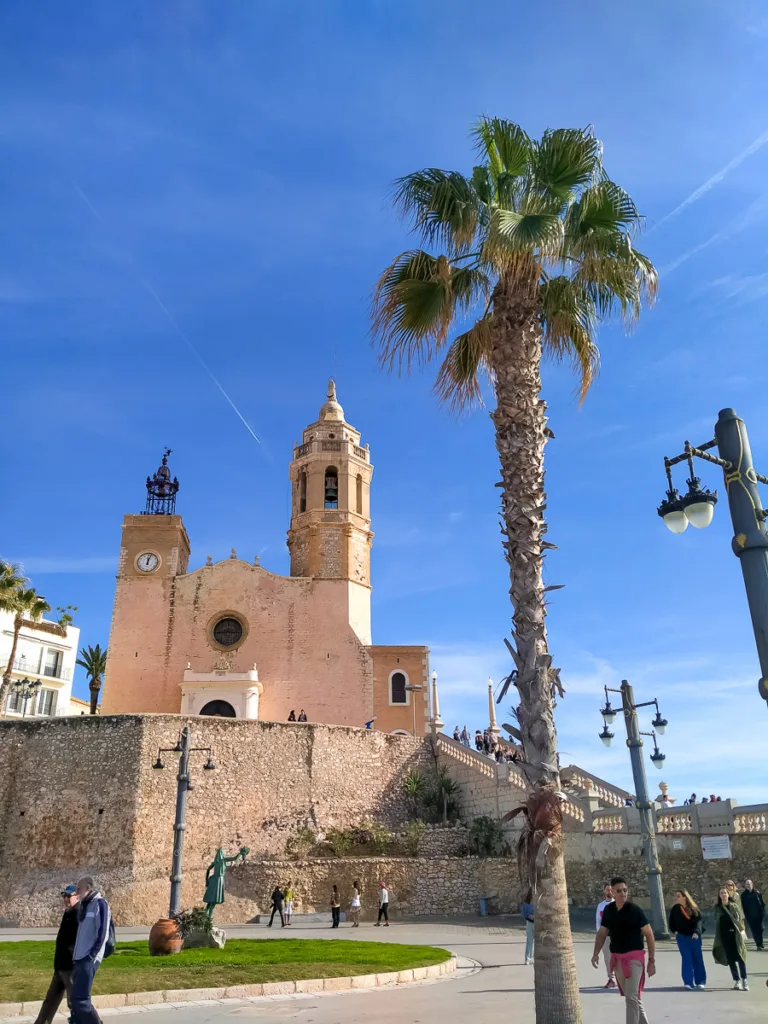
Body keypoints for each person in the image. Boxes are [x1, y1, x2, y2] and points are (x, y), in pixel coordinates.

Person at [592, 876, 655, 1024]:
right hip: (617, 959)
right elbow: (602, 933)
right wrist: (595, 953)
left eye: (625, 890)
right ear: (612, 892)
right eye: (619, 891)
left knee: (631, 997)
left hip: (634, 959)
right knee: (632, 997)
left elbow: (649, 934)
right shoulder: (608, 910)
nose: (623, 893)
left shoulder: (635, 910)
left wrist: (652, 960)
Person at [33, 884, 79, 1024]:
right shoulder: (68, 912)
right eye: (64, 896)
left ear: (77, 896)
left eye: (68, 896)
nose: (65, 899)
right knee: (51, 999)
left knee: (75, 1002)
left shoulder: (78, 913)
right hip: (60, 965)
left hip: (70, 966)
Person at [71, 876, 111, 1024]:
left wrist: (91, 956)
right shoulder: (85, 905)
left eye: (79, 888)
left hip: (88, 959)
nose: (76, 891)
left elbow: (103, 933)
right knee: (75, 998)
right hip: (79, 958)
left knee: (81, 999)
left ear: (88, 888)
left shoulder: (100, 904)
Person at [668, 889, 706, 989]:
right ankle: (688, 982)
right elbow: (671, 922)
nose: (676, 898)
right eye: (675, 896)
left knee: (697, 959)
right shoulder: (675, 909)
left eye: (678, 896)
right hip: (682, 937)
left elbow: (699, 921)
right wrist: (674, 931)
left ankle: (700, 981)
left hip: (694, 937)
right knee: (686, 958)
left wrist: (696, 932)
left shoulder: (693, 908)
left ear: (685, 897)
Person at [713, 884, 748, 990]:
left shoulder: (734, 906)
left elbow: (740, 920)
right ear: (719, 896)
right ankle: (737, 980)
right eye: (721, 893)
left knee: (741, 958)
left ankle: (744, 980)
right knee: (731, 960)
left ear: (728, 894)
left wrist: (742, 933)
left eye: (725, 893)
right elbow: (717, 920)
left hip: (735, 935)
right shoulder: (718, 908)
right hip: (724, 936)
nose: (723, 895)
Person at [595, 883, 616, 988]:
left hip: (617, 936)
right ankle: (611, 979)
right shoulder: (601, 906)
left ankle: (622, 978)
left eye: (611, 890)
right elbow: (598, 921)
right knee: (608, 958)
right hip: (605, 936)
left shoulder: (618, 904)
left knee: (619, 957)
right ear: (604, 891)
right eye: (608, 890)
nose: (610, 892)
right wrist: (600, 935)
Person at [742, 879, 765, 950]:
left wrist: (763, 912)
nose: (748, 885)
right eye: (747, 884)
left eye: (749, 884)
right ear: (745, 886)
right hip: (750, 916)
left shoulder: (757, 893)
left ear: (752, 884)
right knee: (754, 930)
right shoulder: (743, 895)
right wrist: (746, 915)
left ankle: (761, 942)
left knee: (760, 929)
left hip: (759, 915)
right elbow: (743, 906)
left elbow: (762, 903)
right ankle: (758, 944)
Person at [521, 888, 535, 966]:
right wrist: (529, 916)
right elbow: (523, 913)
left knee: (537, 942)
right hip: (530, 922)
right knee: (529, 941)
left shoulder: (538, 901)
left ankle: (534, 958)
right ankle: (527, 959)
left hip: (536, 922)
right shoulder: (527, 903)